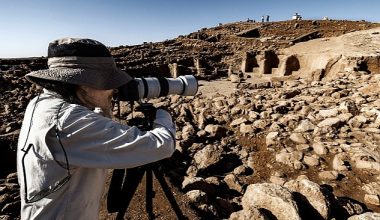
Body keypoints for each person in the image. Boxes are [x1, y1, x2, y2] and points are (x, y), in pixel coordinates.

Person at [16, 37, 176, 219]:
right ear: (82, 82)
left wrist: (102, 105)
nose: (114, 89)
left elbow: (91, 122)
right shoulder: (69, 121)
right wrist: (163, 116)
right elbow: (163, 145)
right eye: (107, 82)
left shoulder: (41, 104)